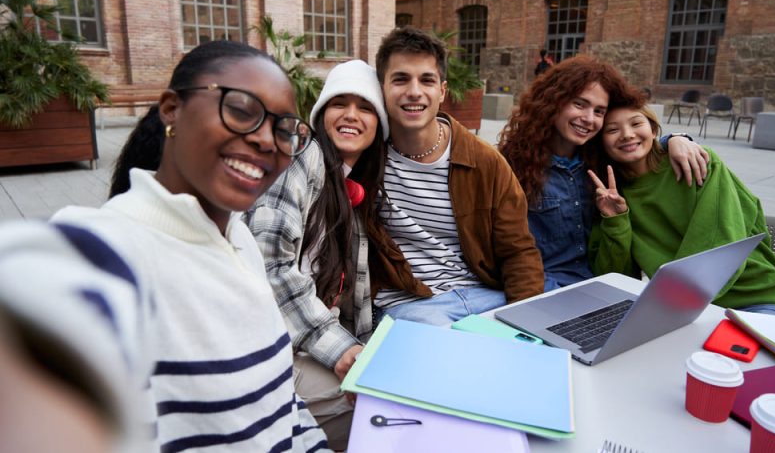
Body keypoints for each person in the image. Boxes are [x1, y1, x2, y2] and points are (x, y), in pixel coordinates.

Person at [0, 40, 330, 451]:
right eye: (241, 110)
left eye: (284, 130)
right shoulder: (103, 251)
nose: (266, 140)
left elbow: (282, 403)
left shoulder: (240, 239)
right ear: (172, 109)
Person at [243, 59, 387, 449]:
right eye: (339, 103)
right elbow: (269, 264)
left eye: (366, 107)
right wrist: (341, 349)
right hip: (263, 350)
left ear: (379, 125)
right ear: (321, 115)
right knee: (381, 407)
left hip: (298, 346)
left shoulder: (350, 189)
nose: (351, 115)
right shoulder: (300, 155)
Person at [367, 26, 544, 326]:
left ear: (442, 91)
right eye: (400, 79)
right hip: (412, 304)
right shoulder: (367, 159)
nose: (414, 91)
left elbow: (518, 252)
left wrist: (526, 325)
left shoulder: (484, 162)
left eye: (427, 80)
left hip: (482, 295)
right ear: (381, 88)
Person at [498, 55, 709, 292]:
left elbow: (635, 146)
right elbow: (507, 252)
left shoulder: (603, 160)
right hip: (546, 288)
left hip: (605, 284)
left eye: (599, 111)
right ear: (552, 102)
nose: (589, 119)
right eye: (579, 104)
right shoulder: (513, 166)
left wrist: (674, 139)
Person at [588, 105, 775, 317]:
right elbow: (615, 278)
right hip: (684, 310)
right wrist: (616, 221)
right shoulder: (610, 194)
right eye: (612, 130)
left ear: (653, 129)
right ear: (601, 142)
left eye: (636, 123)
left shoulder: (698, 162)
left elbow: (720, 242)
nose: (627, 134)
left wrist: (668, 307)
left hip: (753, 300)